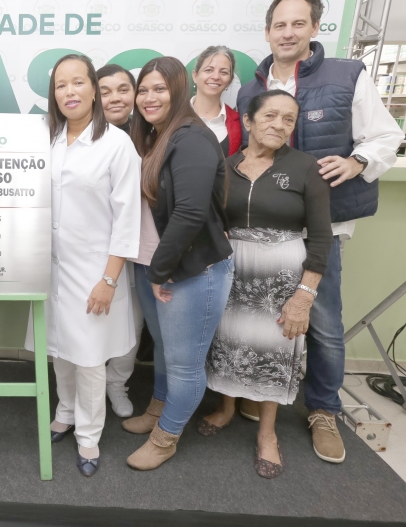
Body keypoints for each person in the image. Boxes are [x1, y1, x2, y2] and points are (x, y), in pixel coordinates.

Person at [236, 0, 404, 463]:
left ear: (314, 27)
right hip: (265, 227)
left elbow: (387, 134)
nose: (288, 33)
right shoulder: (250, 88)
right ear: (267, 32)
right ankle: (257, 390)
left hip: (321, 225)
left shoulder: (347, 75)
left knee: (323, 321)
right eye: (280, 25)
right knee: (260, 315)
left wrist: (356, 162)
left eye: (298, 23)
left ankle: (324, 409)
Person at [202, 91, 332, 478]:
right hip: (231, 269)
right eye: (271, 116)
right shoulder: (226, 166)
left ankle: (267, 433)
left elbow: (321, 237)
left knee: (275, 349)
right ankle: (226, 407)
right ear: (249, 120)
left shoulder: (305, 167)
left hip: (281, 276)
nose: (279, 124)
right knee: (226, 342)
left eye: (288, 119)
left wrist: (304, 295)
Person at [26, 54, 140, 477]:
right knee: (60, 349)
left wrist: (109, 279)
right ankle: (65, 411)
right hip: (51, 267)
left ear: (94, 89)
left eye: (78, 82)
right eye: (61, 85)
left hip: (96, 271)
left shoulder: (116, 144)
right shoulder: (47, 138)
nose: (69, 91)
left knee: (90, 358)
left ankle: (89, 436)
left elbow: (127, 219)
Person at [126, 56, 233, 471]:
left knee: (185, 363)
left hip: (189, 270)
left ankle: (166, 437)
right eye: (144, 89)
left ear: (179, 90)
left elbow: (189, 213)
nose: (149, 98)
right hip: (155, 265)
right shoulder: (153, 136)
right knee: (165, 351)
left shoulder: (191, 138)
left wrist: (159, 270)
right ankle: (158, 409)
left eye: (159, 88)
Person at [95, 63, 146, 419]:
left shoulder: (150, 133)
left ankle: (117, 382)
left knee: (133, 320)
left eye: (123, 89)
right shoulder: (80, 135)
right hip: (94, 245)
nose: (115, 98)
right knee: (92, 317)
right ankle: (88, 385)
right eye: (105, 91)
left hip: (141, 246)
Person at [190, 45, 242, 156]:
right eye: (209, 70)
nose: (216, 76)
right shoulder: (173, 117)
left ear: (230, 80)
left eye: (223, 72)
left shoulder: (239, 123)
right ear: (195, 76)